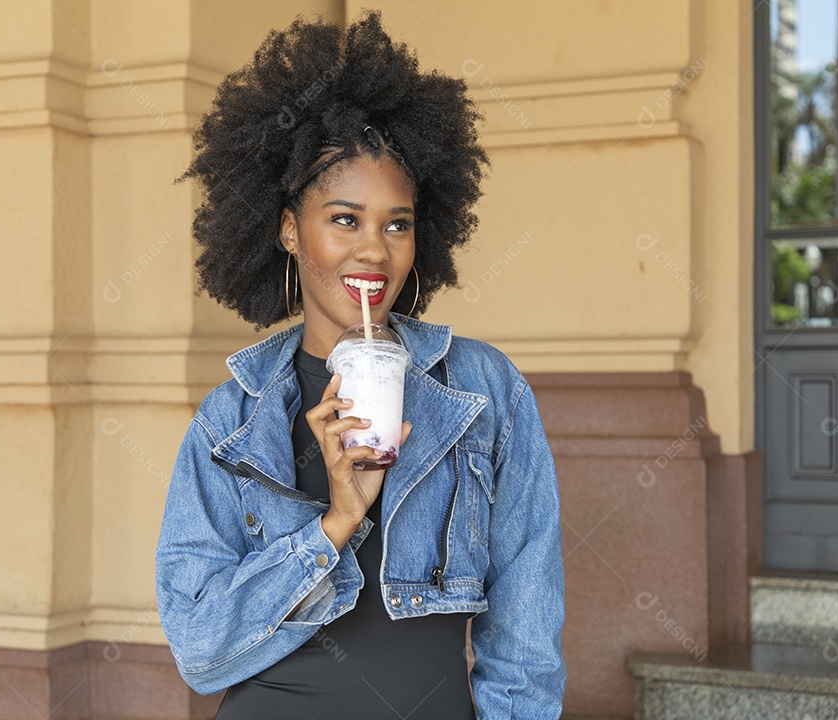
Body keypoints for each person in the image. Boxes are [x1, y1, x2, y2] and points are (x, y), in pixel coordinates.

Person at [155, 10, 566, 719]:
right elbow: (200, 652)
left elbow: (526, 637)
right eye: (344, 219)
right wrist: (336, 523)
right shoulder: (231, 421)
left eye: (397, 224)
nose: (374, 251)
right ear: (290, 228)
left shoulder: (482, 390)